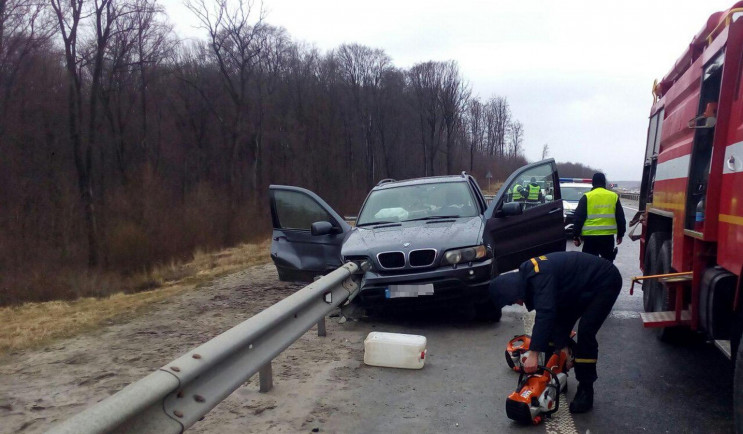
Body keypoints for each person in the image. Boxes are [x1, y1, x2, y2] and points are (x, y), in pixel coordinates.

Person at [489, 252, 622, 413]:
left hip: (604, 281)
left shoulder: (539, 277)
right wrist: (562, 344)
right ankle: (555, 376)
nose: (518, 303)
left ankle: (586, 390)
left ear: (513, 290)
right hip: (576, 288)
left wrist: (533, 353)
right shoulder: (529, 276)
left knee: (586, 330)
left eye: (513, 300)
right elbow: (554, 316)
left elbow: (546, 313)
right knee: (554, 330)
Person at [572, 173, 626, 261]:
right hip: (607, 237)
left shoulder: (587, 197)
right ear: (604, 182)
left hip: (590, 237)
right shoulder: (613, 196)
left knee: (589, 264)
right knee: (607, 263)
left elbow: (578, 218)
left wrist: (576, 236)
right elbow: (620, 217)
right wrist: (620, 234)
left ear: (593, 183)